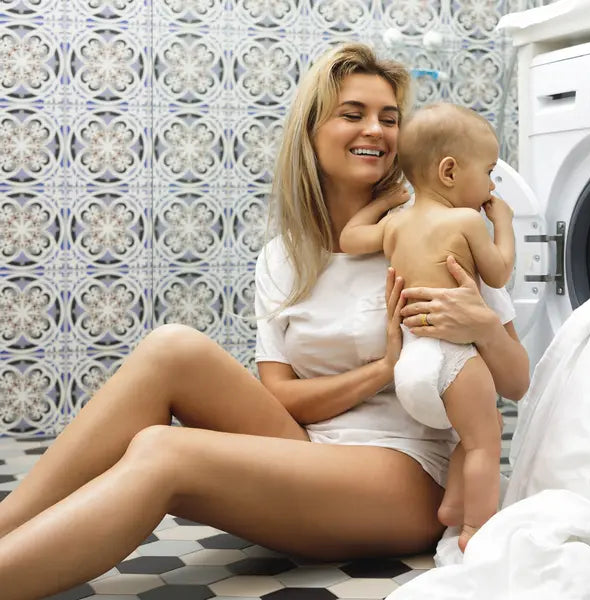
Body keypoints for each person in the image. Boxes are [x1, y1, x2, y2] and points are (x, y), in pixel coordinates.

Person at [0, 43, 529, 600]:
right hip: (306, 450)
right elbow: (280, 398)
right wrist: (384, 369)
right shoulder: (284, 256)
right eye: (353, 114)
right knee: (170, 348)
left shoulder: (433, 231)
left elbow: (516, 382)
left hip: (406, 472)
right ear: (311, 130)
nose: (375, 129)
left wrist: (483, 327)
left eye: (389, 118)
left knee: (165, 450)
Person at [340, 103, 515, 552]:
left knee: (481, 426)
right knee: (485, 441)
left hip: (410, 370)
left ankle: (453, 507)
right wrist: (505, 225)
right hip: (453, 359)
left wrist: (385, 202)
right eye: (489, 171)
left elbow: (348, 239)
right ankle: (477, 527)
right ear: (451, 171)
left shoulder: (396, 225)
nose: (492, 186)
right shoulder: (465, 221)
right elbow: (498, 274)